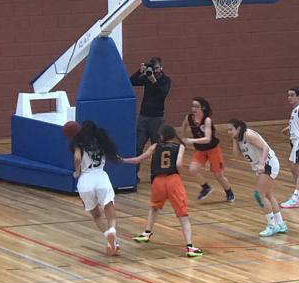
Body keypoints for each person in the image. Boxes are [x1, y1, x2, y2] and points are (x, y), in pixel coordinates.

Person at [122, 125, 203, 258]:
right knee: (183, 215)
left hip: (158, 181)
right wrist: (178, 174)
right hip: (173, 181)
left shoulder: (155, 146)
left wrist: (122, 160)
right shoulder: (180, 147)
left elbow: (138, 159)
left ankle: (147, 233)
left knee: (154, 208)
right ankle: (190, 247)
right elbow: (178, 164)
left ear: (161, 135)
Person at [67, 120, 122, 256]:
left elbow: (77, 158)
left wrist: (77, 172)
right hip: (101, 178)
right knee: (110, 213)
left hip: (86, 180)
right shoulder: (102, 141)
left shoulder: (79, 143)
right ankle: (112, 231)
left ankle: (108, 238)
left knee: (96, 216)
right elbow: (113, 155)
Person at [227, 119, 287, 237]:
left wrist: (262, 164)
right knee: (268, 195)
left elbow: (265, 148)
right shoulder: (239, 138)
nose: (229, 132)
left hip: (268, 164)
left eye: (230, 129)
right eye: (228, 130)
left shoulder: (248, 135)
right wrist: (234, 139)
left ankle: (272, 225)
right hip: (260, 166)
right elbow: (235, 155)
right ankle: (280, 224)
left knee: (259, 195)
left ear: (238, 128)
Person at [181, 97, 235, 203]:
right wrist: (182, 138)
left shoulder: (207, 120)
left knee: (218, 175)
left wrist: (191, 140)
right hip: (200, 150)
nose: (194, 109)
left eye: (197, 106)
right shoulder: (189, 118)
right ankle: (206, 187)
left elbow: (207, 139)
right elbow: (184, 125)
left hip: (212, 149)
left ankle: (229, 192)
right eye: (192, 106)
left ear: (203, 108)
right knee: (192, 169)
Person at [130, 57, 172, 179]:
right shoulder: (147, 77)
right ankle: (134, 175)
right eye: (154, 69)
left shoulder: (166, 80)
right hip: (143, 117)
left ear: (161, 67)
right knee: (137, 146)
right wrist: (140, 71)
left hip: (157, 119)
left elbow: (162, 95)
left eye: (157, 68)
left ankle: (156, 174)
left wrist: (153, 80)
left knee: (157, 147)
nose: (155, 71)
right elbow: (131, 81)